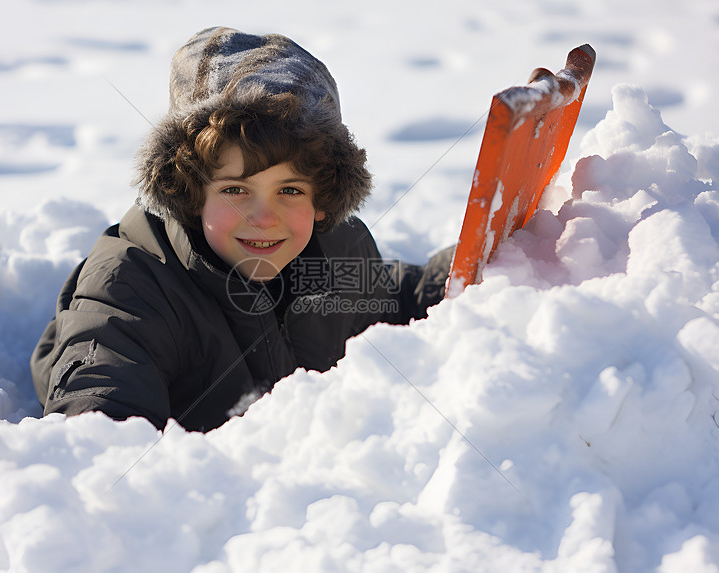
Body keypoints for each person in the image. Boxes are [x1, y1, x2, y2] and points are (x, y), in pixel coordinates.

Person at [31, 27, 453, 432]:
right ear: (190, 193)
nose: (263, 218)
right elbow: (97, 417)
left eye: (289, 189)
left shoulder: (339, 250)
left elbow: (395, 295)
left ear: (323, 200)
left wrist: (473, 269)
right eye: (235, 190)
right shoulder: (132, 289)